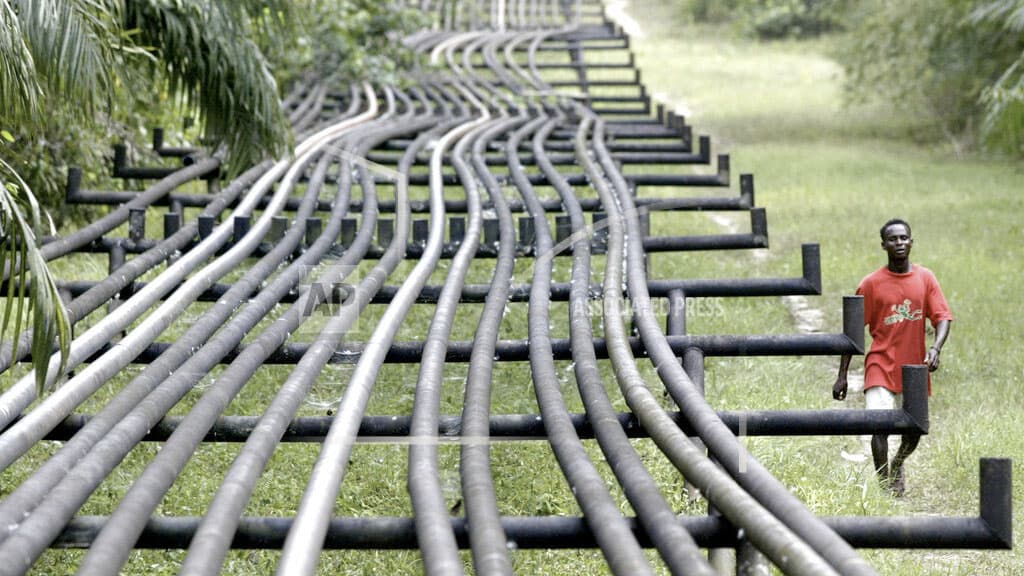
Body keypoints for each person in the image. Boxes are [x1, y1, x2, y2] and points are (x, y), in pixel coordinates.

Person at [833, 218, 952, 496]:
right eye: (893, 239)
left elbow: (943, 317)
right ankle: (885, 484)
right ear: (883, 245)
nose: (899, 243)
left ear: (911, 242)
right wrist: (842, 376)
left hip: (914, 367)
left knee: (916, 427)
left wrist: (936, 348)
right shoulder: (871, 284)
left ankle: (898, 463)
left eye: (903, 238)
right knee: (879, 425)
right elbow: (851, 332)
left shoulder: (925, 278)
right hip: (880, 364)